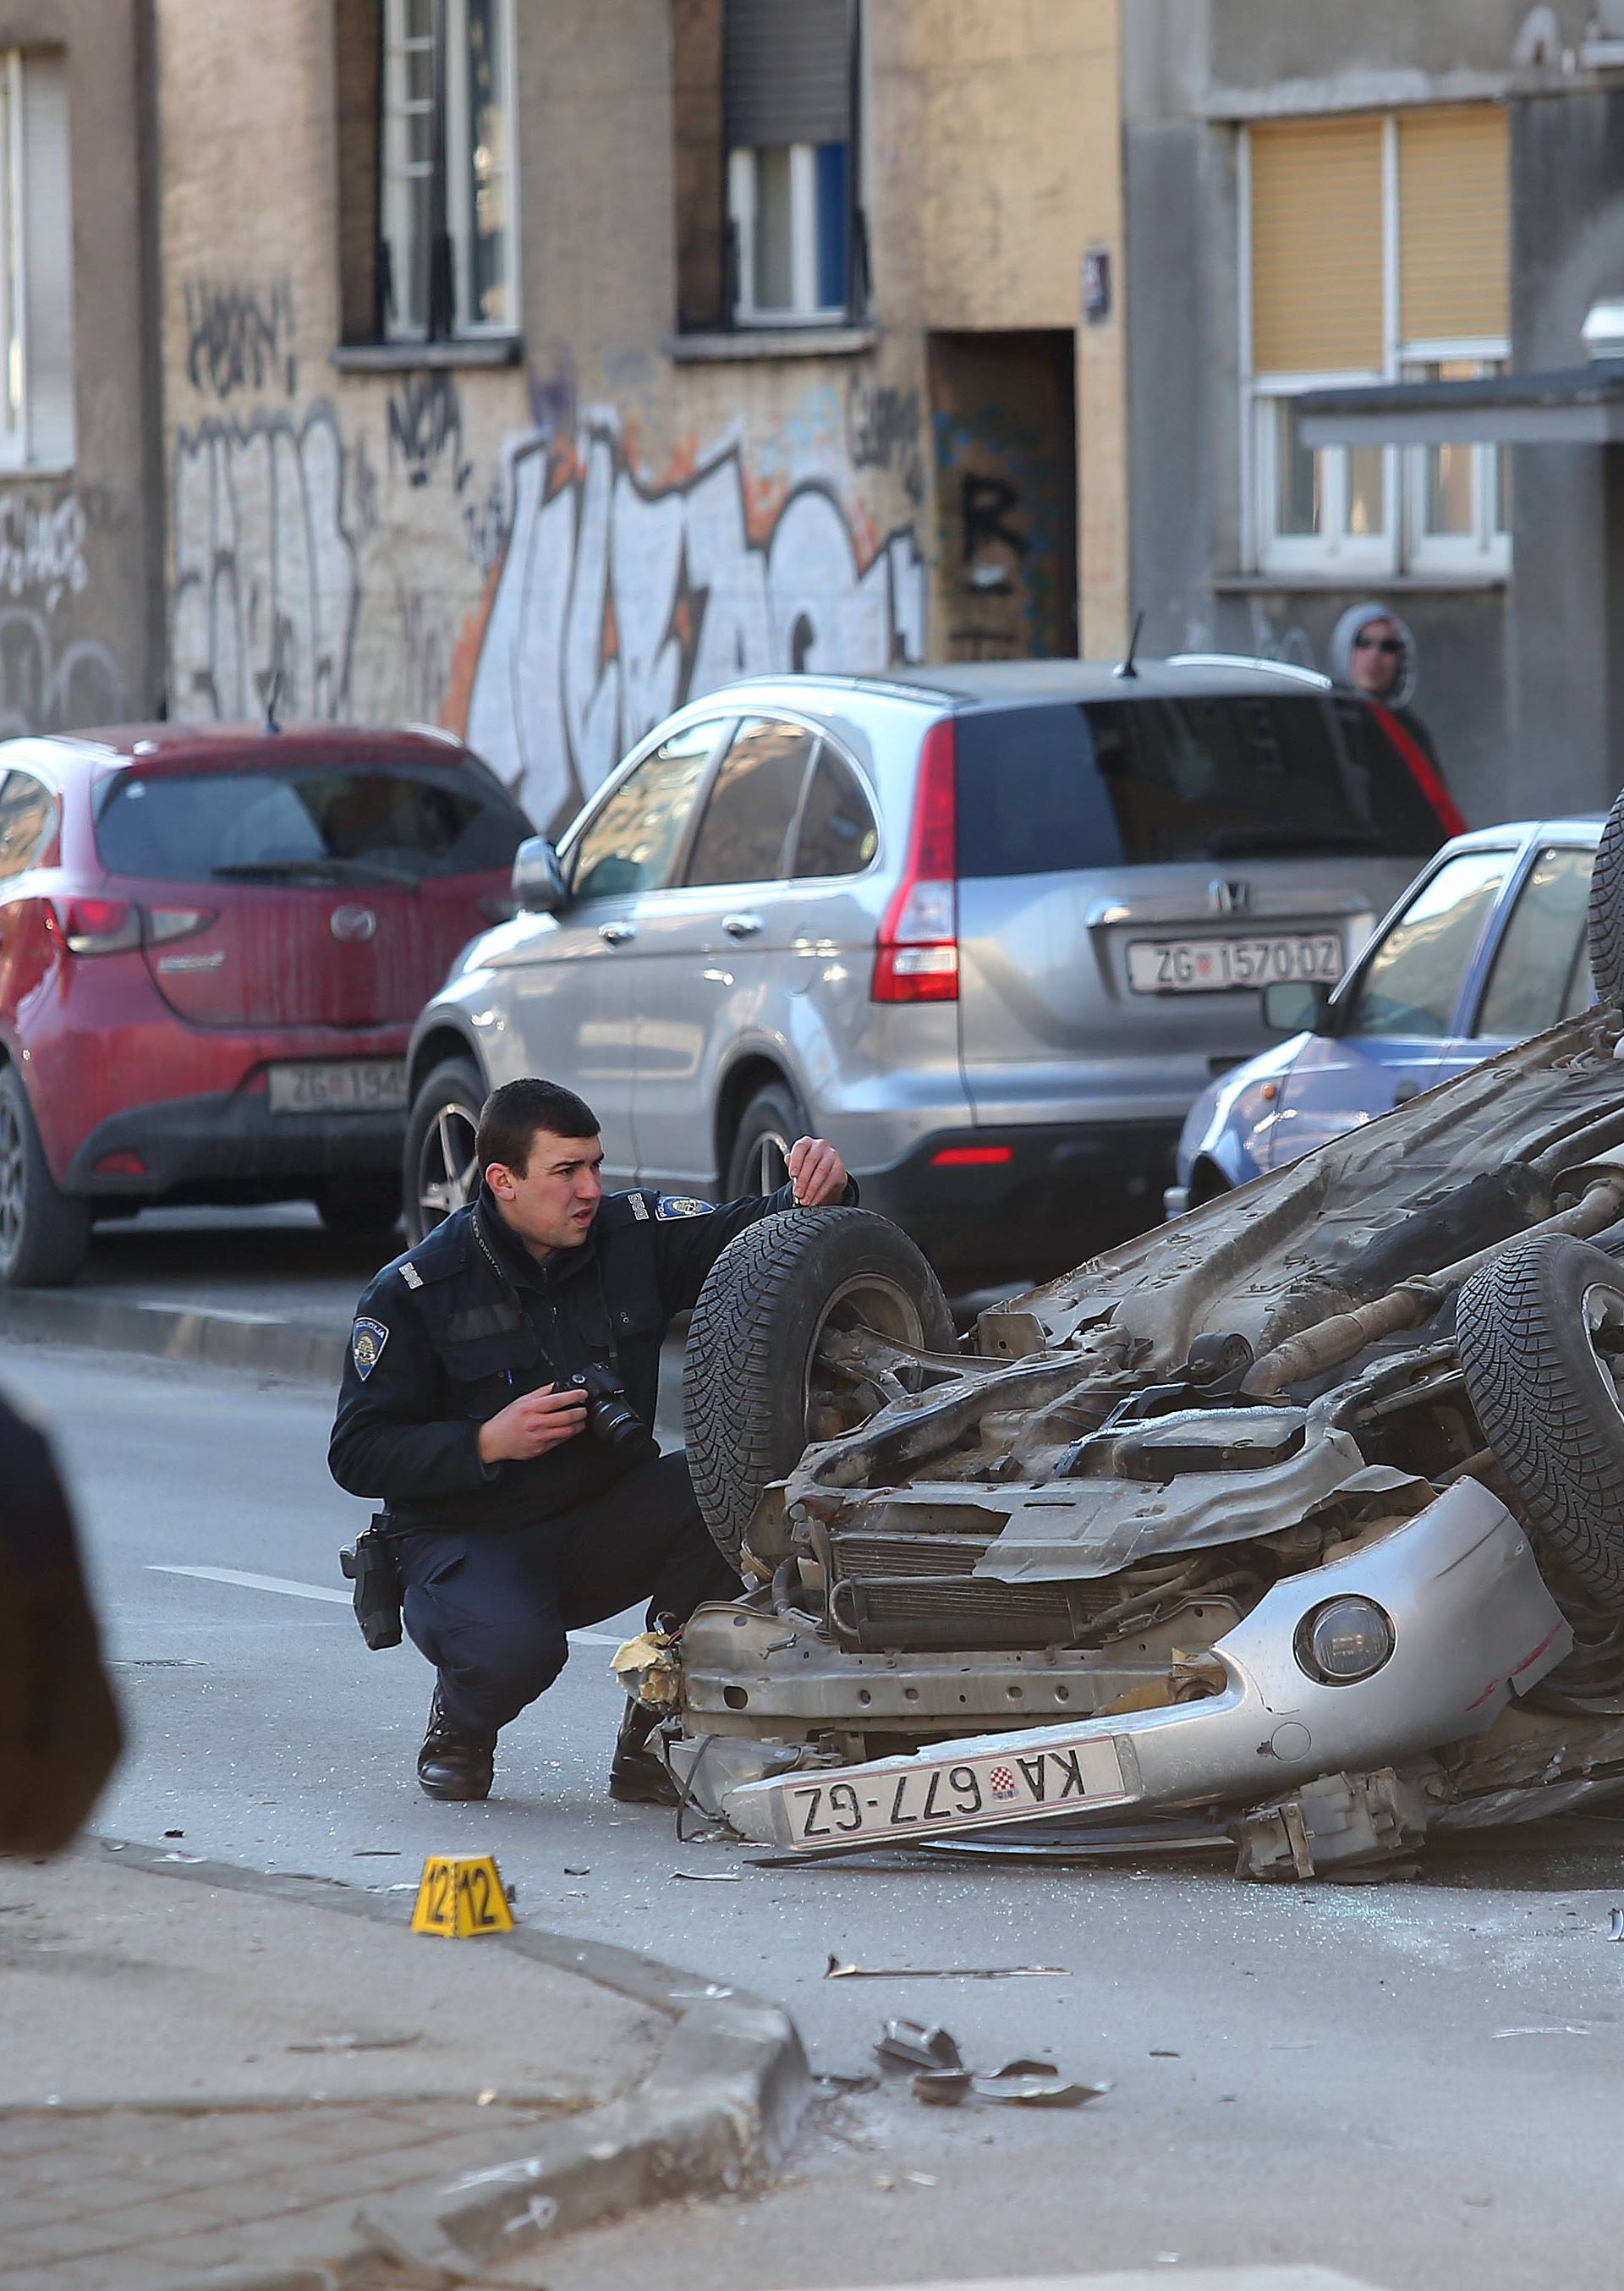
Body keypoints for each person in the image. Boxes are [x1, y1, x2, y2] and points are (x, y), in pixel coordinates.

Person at [328, 1077, 853, 1805]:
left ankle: (657, 1733)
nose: (588, 1189)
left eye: (595, 1166)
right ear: (502, 1181)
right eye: (566, 1171)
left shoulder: (625, 1235)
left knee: (734, 1496)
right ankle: (463, 1722)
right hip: (469, 1537)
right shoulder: (415, 1291)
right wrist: (485, 1442)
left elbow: (762, 1236)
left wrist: (820, 1189)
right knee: (514, 1649)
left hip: (597, 1519)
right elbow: (356, 1451)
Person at [1327, 601, 1447, 786]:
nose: (1374, 655)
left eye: (1389, 646)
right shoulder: (1324, 718)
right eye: (1364, 642)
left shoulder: (1409, 733)